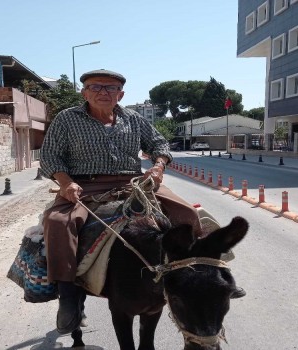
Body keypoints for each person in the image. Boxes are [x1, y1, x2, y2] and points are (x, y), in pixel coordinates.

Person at [39, 69, 244, 335]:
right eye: (96, 87)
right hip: (84, 184)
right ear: (84, 92)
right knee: (58, 223)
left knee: (188, 214)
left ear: (120, 94)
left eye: (110, 88)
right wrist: (66, 183)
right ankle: (68, 295)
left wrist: (158, 166)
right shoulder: (67, 119)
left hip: (133, 183)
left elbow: (160, 144)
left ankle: (213, 274)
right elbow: (50, 157)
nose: (103, 92)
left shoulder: (134, 119)